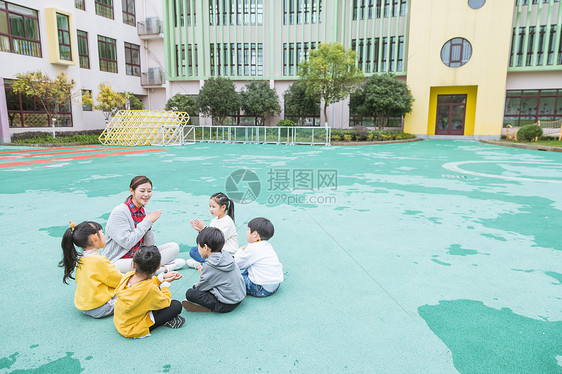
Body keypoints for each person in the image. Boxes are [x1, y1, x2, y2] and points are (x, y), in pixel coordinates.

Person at [103, 176, 185, 273]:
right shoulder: (120, 212)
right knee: (124, 266)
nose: (146, 194)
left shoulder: (145, 212)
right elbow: (127, 242)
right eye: (142, 191)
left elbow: (149, 245)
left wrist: (149, 227)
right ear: (131, 191)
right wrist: (146, 223)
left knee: (173, 247)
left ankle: (151, 268)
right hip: (118, 260)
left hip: (141, 257)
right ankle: (164, 269)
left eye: (149, 191)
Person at [113, 245, 184, 338]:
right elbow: (166, 302)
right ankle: (166, 321)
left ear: (134, 264)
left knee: (153, 298)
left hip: (121, 322)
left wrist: (161, 278)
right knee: (176, 306)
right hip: (134, 329)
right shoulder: (150, 289)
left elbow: (144, 284)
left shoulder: (128, 275)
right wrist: (165, 285)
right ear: (159, 266)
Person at [59, 221, 123, 318]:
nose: (104, 236)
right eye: (102, 233)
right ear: (95, 237)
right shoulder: (98, 260)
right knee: (134, 293)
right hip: (101, 307)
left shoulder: (81, 259)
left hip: (85, 306)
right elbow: (118, 280)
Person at [182, 227, 245, 313]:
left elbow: (200, 287)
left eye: (198, 246)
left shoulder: (210, 265)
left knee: (190, 293)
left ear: (205, 247)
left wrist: (197, 284)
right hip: (240, 297)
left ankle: (206, 307)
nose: (198, 249)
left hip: (226, 304)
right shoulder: (227, 255)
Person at [187, 192, 238, 268]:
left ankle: (202, 265)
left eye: (213, 207)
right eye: (210, 206)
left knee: (200, 254)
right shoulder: (214, 220)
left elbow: (216, 241)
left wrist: (204, 229)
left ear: (223, 207)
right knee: (193, 251)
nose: (211, 209)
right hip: (214, 252)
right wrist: (201, 231)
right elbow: (207, 241)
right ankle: (208, 264)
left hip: (226, 255)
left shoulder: (227, 222)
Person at [235, 217, 283, 297]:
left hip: (260, 288)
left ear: (255, 234)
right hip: (274, 285)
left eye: (248, 230)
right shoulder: (267, 245)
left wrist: (240, 250)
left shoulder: (252, 248)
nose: (247, 232)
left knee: (232, 279)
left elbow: (237, 264)